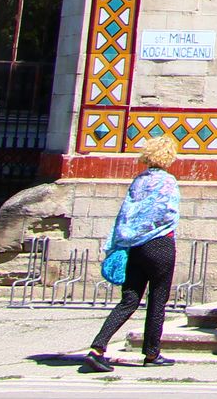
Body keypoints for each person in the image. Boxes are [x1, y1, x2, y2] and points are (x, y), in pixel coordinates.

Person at [83, 135, 182, 372]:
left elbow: (126, 212)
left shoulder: (138, 181)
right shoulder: (168, 182)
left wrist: (119, 241)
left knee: (129, 299)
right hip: (160, 244)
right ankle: (151, 353)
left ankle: (98, 347)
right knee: (158, 300)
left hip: (135, 246)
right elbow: (168, 212)